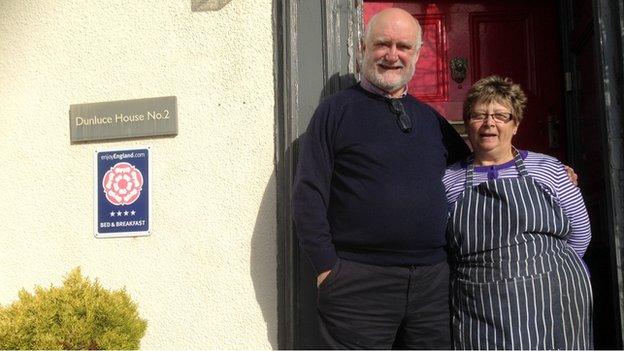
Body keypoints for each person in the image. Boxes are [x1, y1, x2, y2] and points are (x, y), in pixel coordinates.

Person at [292, 8, 471, 349]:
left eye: (404, 46)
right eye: (382, 44)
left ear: (416, 54)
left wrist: (540, 167)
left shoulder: (431, 120)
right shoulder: (335, 112)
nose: (392, 55)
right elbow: (308, 195)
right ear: (362, 48)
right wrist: (327, 269)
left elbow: (477, 166)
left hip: (432, 284)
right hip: (358, 283)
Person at [444, 75, 593, 349]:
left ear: (516, 125)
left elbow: (580, 234)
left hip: (551, 300)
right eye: (480, 115)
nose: (490, 123)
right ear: (467, 125)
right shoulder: (449, 180)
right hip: (478, 303)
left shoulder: (548, 169)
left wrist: (540, 272)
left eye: (501, 116)